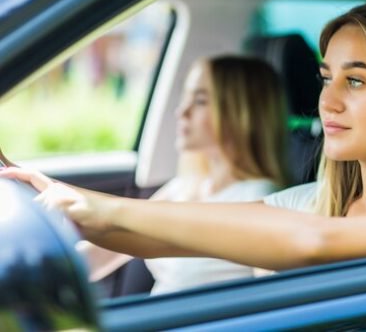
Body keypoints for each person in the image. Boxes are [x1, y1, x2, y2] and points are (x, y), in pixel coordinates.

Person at [1, 0, 366, 274]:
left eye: (357, 81)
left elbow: (313, 245)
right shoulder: (311, 201)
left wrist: (99, 205)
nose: (329, 101)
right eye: (326, 78)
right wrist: (37, 193)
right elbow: (148, 236)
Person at [2, 54, 289, 294]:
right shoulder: (183, 187)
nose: (181, 111)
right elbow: (103, 254)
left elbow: (272, 297)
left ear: (241, 113)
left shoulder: (260, 198)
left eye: (200, 101)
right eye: (186, 97)